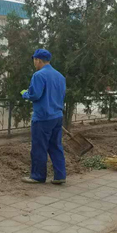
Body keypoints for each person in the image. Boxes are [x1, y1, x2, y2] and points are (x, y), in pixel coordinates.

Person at [21, 49, 67, 184]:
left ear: (38, 60)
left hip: (42, 117)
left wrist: (25, 94)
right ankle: (60, 176)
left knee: (39, 147)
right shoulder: (60, 76)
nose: (34, 63)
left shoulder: (38, 75)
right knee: (56, 146)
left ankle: (37, 176)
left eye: (34, 60)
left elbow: (35, 95)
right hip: (57, 116)